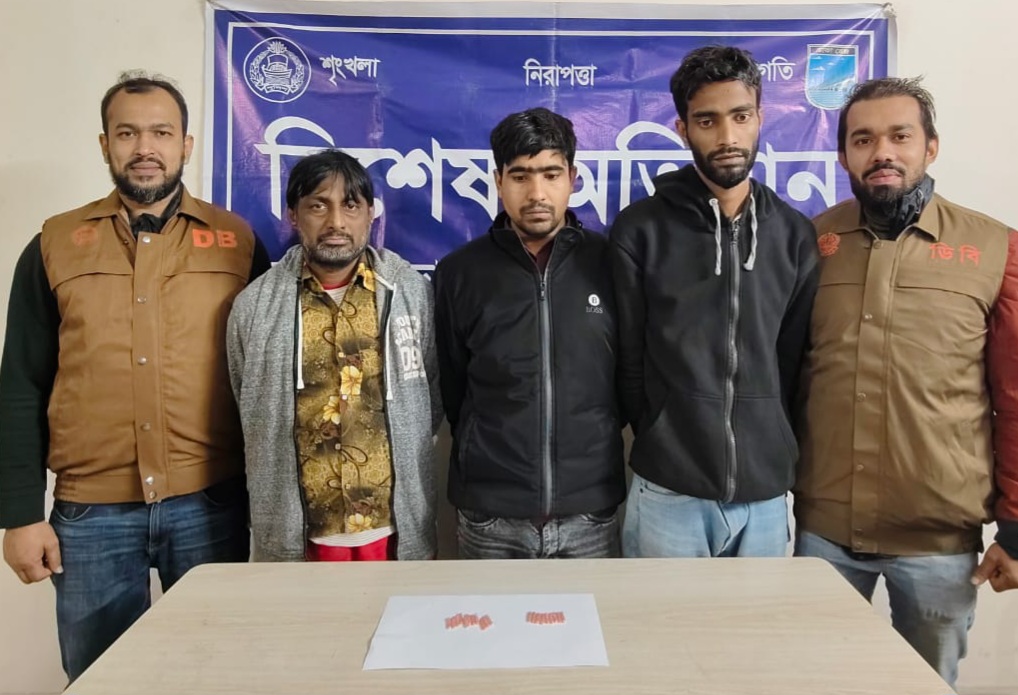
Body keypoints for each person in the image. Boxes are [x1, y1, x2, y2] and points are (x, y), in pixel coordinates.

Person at [0, 71, 269, 681]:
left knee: (218, 675)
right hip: (90, 516)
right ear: (105, 145)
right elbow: (20, 384)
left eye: (161, 133)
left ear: (186, 145)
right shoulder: (54, 244)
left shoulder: (236, 243)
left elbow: (268, 375)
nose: (145, 148)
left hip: (210, 505)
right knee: (103, 679)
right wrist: (19, 514)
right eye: (127, 134)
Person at [794, 76, 1018, 687]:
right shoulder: (811, 244)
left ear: (930, 147)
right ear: (844, 155)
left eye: (900, 136)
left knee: (925, 685)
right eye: (863, 139)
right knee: (815, 682)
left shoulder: (998, 250)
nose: (881, 152)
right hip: (823, 535)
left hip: (939, 545)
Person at [609, 45, 819, 558]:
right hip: (669, 489)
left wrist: (772, 442)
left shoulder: (793, 235)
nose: (727, 137)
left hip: (765, 493)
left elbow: (793, 361)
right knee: (664, 616)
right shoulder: (642, 230)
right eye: (707, 121)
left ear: (760, 117)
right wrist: (661, 433)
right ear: (683, 129)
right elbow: (628, 360)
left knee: (760, 617)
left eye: (740, 117)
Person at [227, 149, 440, 562]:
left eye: (351, 205)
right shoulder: (254, 308)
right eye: (318, 206)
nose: (336, 223)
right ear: (293, 215)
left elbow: (432, 395)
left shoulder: (410, 293)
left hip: (393, 532)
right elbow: (246, 403)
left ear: (370, 214)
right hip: (298, 538)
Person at [434, 107, 625, 559]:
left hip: (589, 512)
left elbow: (629, 380)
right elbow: (453, 388)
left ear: (572, 178)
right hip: (490, 516)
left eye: (551, 174)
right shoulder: (460, 273)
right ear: (498, 181)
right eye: (520, 176)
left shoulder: (612, 264)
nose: (536, 193)